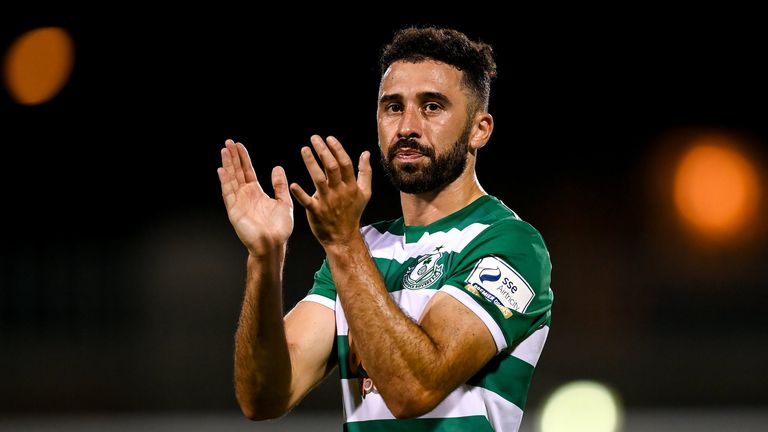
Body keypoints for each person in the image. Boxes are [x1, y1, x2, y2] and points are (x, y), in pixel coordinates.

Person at [217, 26, 553, 432]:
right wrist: (265, 259)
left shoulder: (510, 244)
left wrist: (342, 243)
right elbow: (263, 397)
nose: (407, 126)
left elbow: (414, 388)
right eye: (393, 107)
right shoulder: (365, 249)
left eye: (432, 106)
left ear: (480, 129)